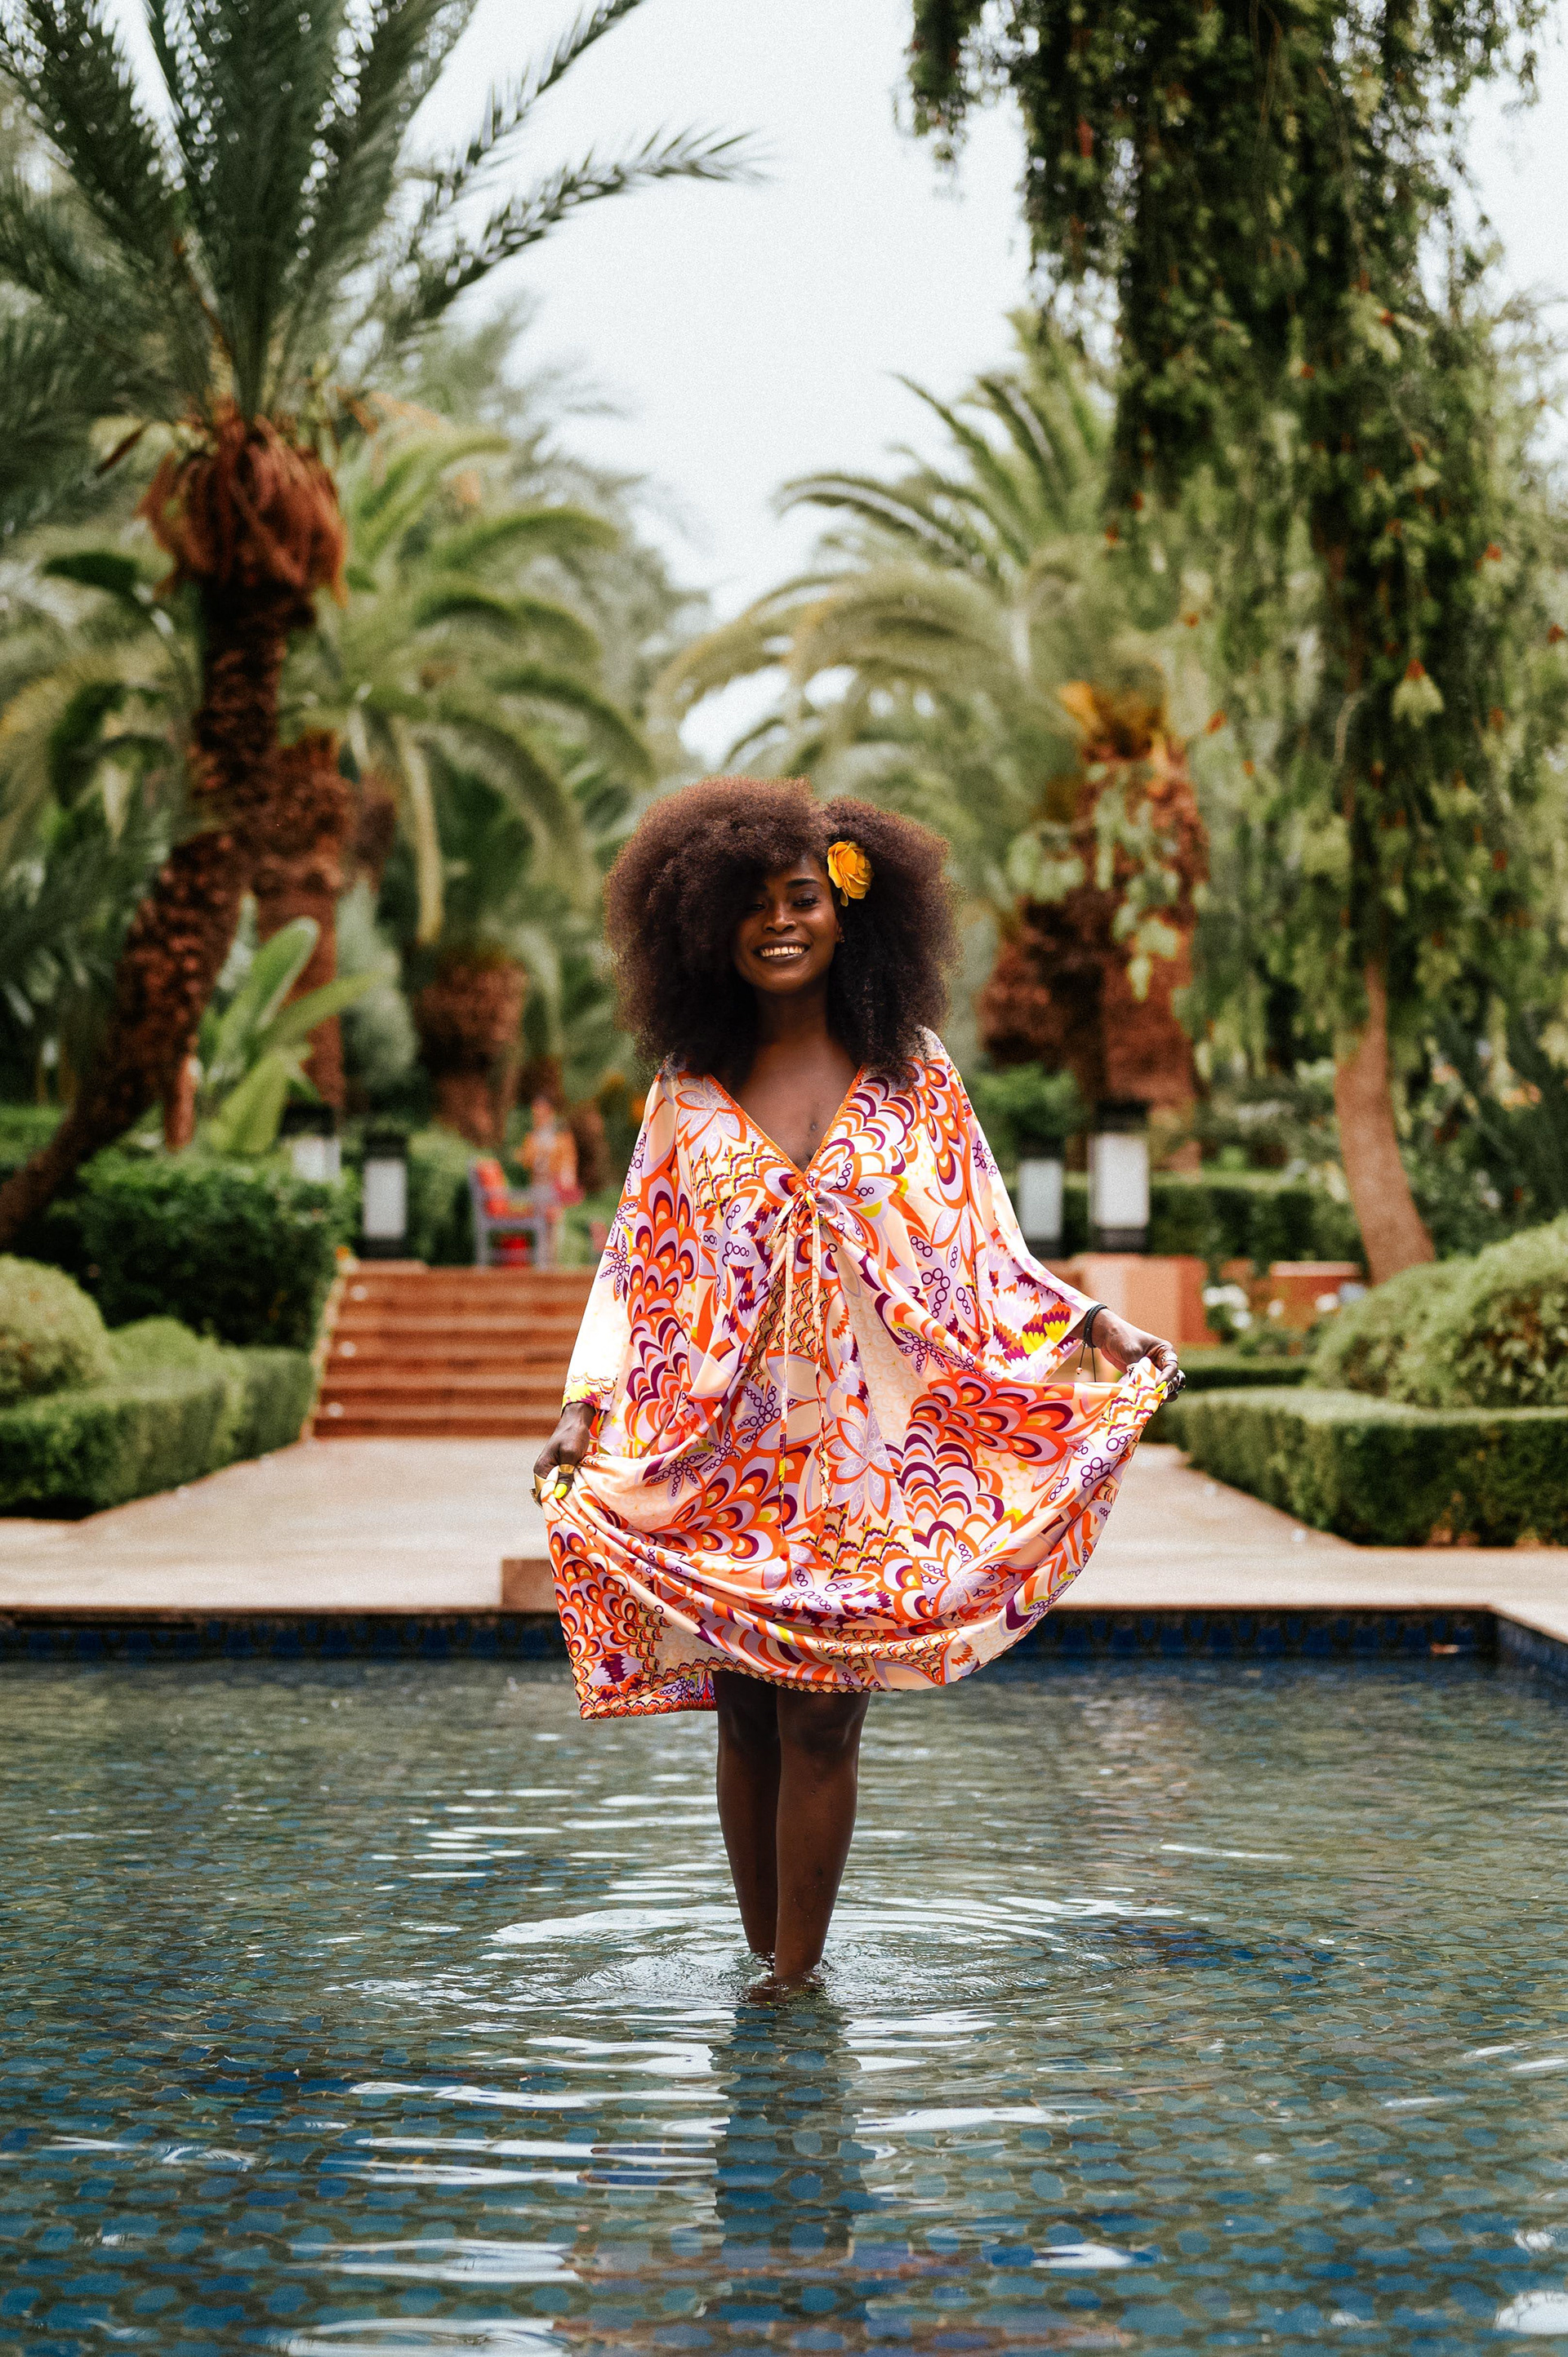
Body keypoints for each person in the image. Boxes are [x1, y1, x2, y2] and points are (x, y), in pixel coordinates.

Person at [533, 777, 1180, 1997]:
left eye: (803, 899)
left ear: (849, 913)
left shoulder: (914, 1072)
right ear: (706, 924)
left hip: (866, 1463)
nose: (780, 924)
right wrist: (583, 1410)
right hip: (720, 1448)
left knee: (823, 1713)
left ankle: (794, 1976)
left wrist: (1095, 1326)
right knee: (744, 1711)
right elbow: (635, 1263)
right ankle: (760, 1953)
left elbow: (985, 1245)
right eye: (752, 904)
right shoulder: (686, 1087)